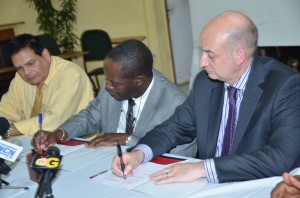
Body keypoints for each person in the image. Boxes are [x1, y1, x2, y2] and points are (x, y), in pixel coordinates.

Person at [111, 11, 300, 184]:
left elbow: (280, 157)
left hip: (258, 185)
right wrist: (138, 153)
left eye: (210, 55)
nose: (202, 63)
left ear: (239, 56)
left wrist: (203, 168)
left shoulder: (285, 86)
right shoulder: (206, 82)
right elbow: (174, 127)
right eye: (202, 52)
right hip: (207, 186)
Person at [32, 39, 197, 157]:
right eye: (107, 79)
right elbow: (91, 116)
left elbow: (182, 156)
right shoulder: (112, 86)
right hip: (105, 160)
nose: (107, 86)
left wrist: (129, 139)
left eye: (114, 83)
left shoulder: (176, 103)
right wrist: (59, 133)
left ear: (138, 80)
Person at [0, 34, 94, 136]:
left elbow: (55, 120)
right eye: (19, 68)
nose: (26, 72)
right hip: (35, 141)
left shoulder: (71, 74)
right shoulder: (20, 78)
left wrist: (10, 130)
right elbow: (7, 109)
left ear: (45, 55)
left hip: (77, 142)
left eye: (30, 63)